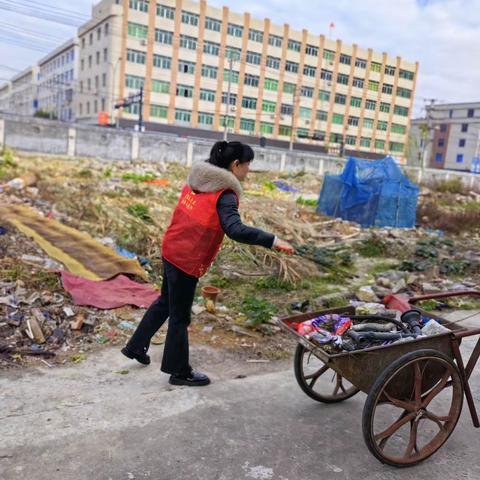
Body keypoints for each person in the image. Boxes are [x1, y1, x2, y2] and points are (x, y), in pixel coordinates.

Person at [121, 141, 294, 387]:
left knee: (165, 303)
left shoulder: (198, 180)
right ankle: (179, 371)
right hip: (186, 258)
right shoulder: (225, 193)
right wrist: (273, 240)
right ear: (236, 165)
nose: (248, 171)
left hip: (172, 247)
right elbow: (235, 229)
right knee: (180, 317)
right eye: (247, 165)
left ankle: (135, 346)